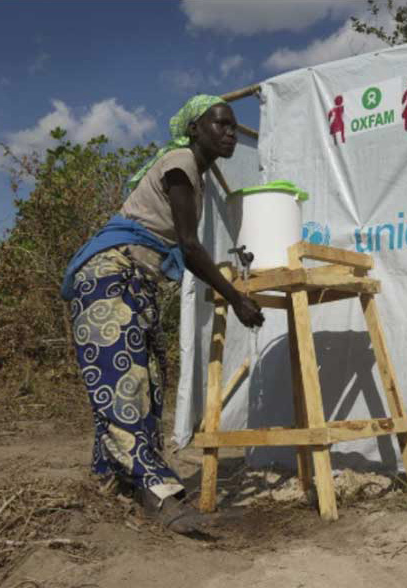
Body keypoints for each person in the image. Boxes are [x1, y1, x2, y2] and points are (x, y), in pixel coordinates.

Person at [59, 94, 264, 524]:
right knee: (123, 380)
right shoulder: (180, 162)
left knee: (149, 380)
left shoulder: (197, 178)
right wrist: (234, 296)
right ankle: (156, 494)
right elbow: (189, 247)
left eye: (232, 127)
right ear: (194, 130)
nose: (229, 133)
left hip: (135, 280)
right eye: (220, 124)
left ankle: (112, 480)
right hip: (109, 276)